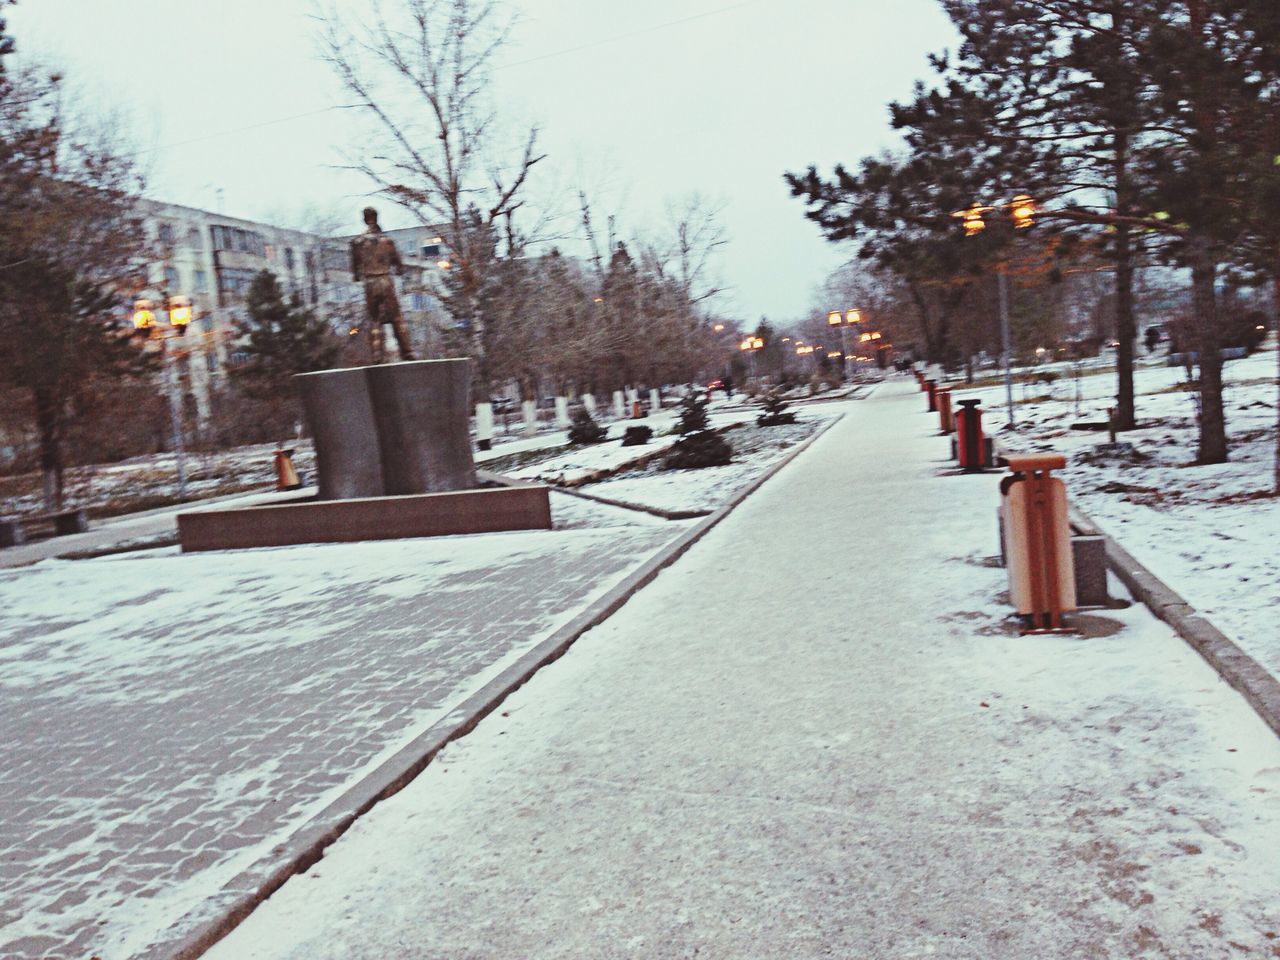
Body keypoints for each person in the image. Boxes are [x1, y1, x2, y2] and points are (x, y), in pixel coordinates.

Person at [350, 206, 416, 364]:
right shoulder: (387, 242)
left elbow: (355, 270)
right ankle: (407, 352)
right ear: (377, 218)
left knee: (374, 320)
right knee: (396, 318)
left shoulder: (357, 243)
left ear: (364, 219)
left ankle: (377, 354)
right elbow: (399, 266)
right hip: (385, 281)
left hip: (370, 283)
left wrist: (361, 274)